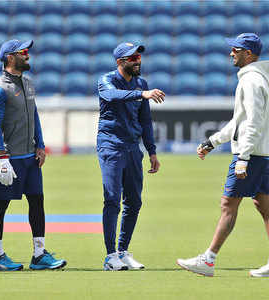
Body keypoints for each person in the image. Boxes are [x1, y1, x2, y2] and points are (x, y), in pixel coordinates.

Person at [177, 33, 269, 277]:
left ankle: (208, 260)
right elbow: (240, 122)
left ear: (248, 54)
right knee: (264, 206)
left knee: (228, 205)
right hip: (262, 153)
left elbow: (253, 123)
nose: (231, 53)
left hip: (253, 156)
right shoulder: (258, 78)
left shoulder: (250, 82)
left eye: (236, 49)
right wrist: (212, 141)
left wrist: (243, 157)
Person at [0, 39, 66, 271]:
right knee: (0, 205)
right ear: (10, 57)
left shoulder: (28, 84)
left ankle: (39, 254)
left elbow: (35, 115)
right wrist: (1, 156)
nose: (28, 55)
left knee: (37, 201)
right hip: (9, 158)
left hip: (30, 156)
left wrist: (40, 145)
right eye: (23, 52)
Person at [97, 42, 164, 271]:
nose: (137, 61)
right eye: (132, 58)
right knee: (112, 199)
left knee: (134, 201)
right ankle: (110, 256)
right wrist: (142, 94)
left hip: (133, 148)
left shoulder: (141, 83)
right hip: (111, 146)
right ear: (120, 62)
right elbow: (112, 95)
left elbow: (145, 120)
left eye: (138, 57)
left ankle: (123, 252)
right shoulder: (106, 80)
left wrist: (152, 151)